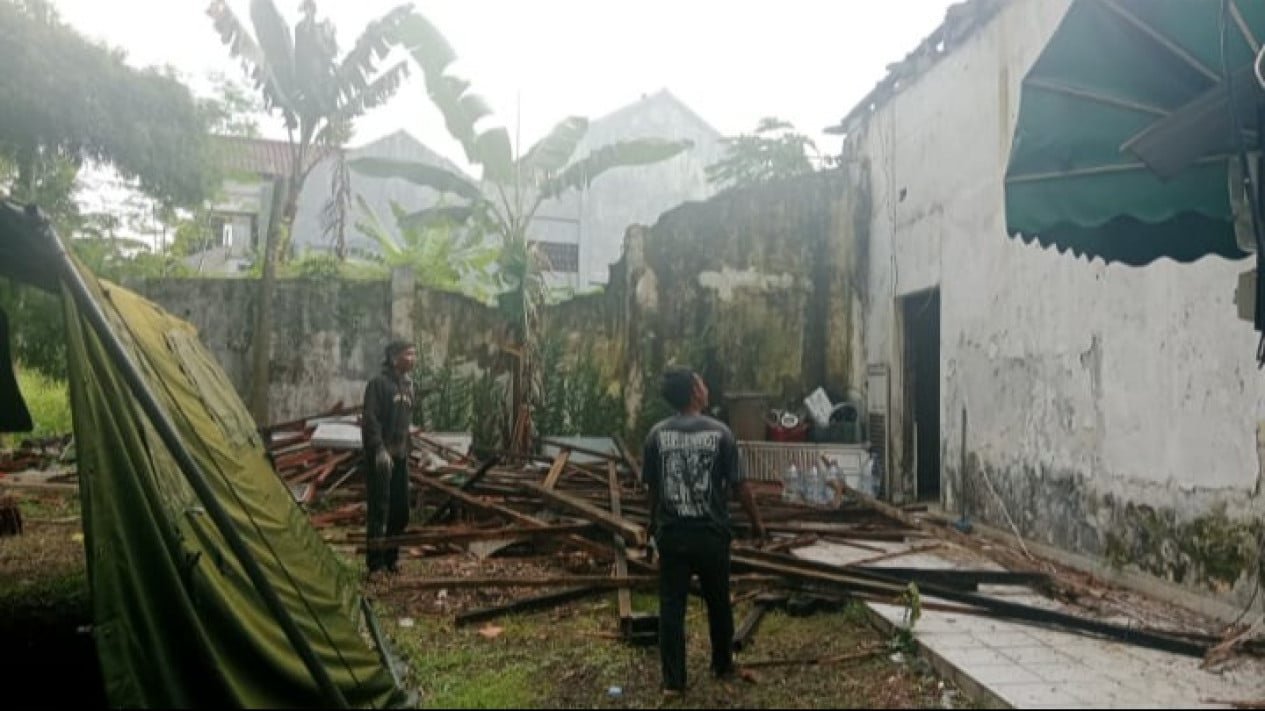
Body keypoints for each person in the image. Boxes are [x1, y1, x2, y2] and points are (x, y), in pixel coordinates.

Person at [641, 366, 766, 697]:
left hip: (673, 535)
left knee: (671, 606)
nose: (706, 386)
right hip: (711, 536)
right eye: (702, 382)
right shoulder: (721, 433)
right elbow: (740, 487)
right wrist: (757, 524)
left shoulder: (655, 435)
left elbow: (653, 490)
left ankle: (673, 683)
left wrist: (651, 526)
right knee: (718, 602)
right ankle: (723, 664)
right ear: (696, 392)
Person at [361, 339, 417, 577]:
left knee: (400, 510)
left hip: (401, 457)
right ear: (395, 358)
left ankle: (392, 557)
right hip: (381, 458)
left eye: (414, 354)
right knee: (379, 509)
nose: (413, 359)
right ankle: (375, 564)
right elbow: (370, 421)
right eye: (408, 354)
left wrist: (408, 451)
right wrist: (379, 450)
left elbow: (407, 425)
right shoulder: (378, 384)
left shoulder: (408, 386)